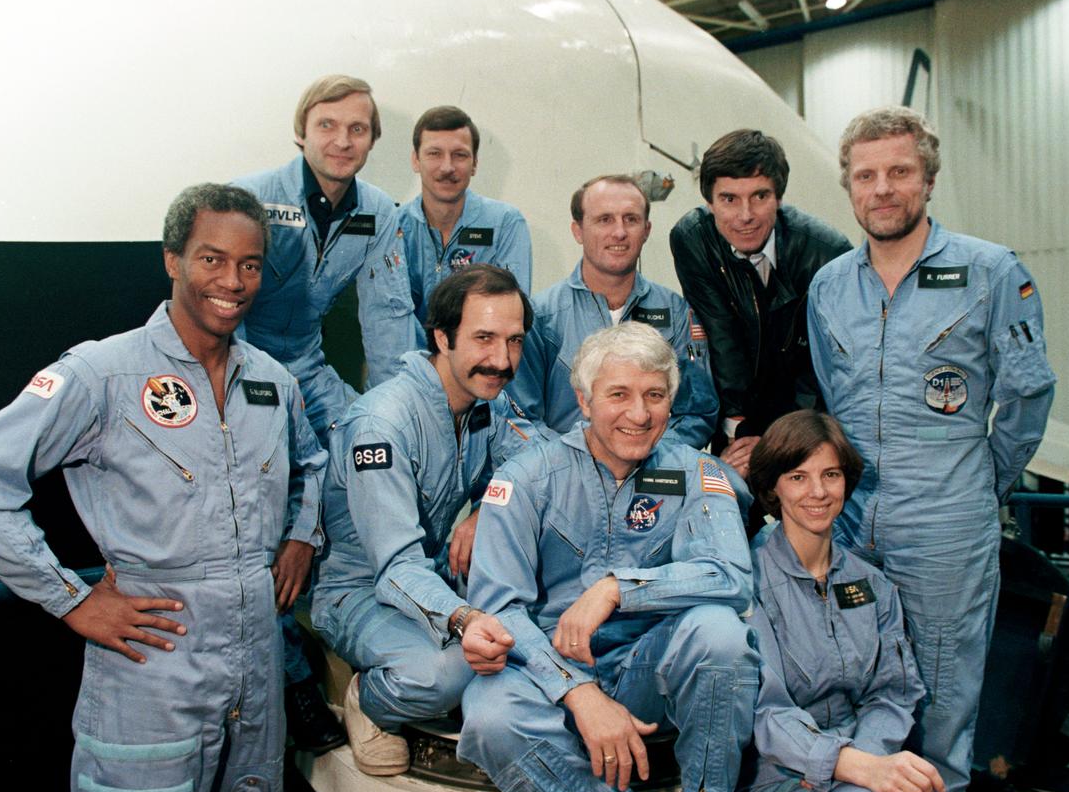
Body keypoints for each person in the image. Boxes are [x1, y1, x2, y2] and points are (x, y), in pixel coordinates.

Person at [0, 184, 327, 792]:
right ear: (172, 259)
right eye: (212, 259)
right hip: (154, 664)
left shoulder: (271, 381)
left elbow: (314, 462)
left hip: (257, 663)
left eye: (250, 264)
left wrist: (302, 536)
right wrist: (72, 597)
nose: (233, 280)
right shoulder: (101, 375)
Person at [808, 105, 1056, 792]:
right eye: (866, 175)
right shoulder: (830, 286)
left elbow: (1026, 396)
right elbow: (832, 398)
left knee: (944, 692)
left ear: (929, 178)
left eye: (899, 172)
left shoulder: (990, 271)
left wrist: (980, 484)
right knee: (851, 678)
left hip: (947, 523)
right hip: (850, 524)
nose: (882, 188)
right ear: (850, 187)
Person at [459, 322, 759, 792]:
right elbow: (500, 608)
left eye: (655, 396)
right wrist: (578, 692)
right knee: (490, 717)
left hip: (648, 666)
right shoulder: (524, 479)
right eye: (619, 394)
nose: (639, 415)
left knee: (721, 634)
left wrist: (619, 587)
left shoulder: (697, 473)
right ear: (584, 400)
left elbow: (730, 575)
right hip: (547, 669)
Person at [232, 74, 415, 753]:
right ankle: (293, 678)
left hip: (309, 368)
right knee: (256, 522)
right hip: (242, 369)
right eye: (329, 125)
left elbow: (391, 321)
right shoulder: (251, 196)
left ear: (371, 140)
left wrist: (392, 416)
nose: (343, 140)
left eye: (358, 128)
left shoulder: (379, 210)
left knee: (371, 470)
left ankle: (375, 649)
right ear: (302, 130)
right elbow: (223, 302)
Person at [312, 264, 546, 776]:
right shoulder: (383, 424)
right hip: (360, 589)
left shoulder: (487, 401)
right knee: (449, 674)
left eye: (514, 341)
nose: (502, 360)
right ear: (442, 337)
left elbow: (543, 459)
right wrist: (463, 620)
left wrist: (490, 504)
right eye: (483, 338)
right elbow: (395, 567)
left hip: (432, 573)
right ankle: (369, 699)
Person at [736, 410, 946, 792]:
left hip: (864, 770)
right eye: (798, 477)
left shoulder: (873, 585)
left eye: (830, 475)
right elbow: (766, 713)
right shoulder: (747, 584)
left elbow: (893, 693)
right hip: (778, 779)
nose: (817, 492)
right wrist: (847, 765)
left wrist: (867, 763)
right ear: (772, 487)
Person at [669, 129, 851, 479]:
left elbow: (822, 368)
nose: (745, 215)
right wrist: (740, 435)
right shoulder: (693, 239)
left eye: (760, 196)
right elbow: (721, 340)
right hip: (736, 419)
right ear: (709, 202)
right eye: (729, 199)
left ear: (779, 197)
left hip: (806, 417)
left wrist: (777, 440)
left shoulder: (826, 253)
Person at [509, 174, 718, 449]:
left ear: (646, 230)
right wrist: (574, 462)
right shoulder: (541, 316)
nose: (619, 232)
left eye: (630, 219)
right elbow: (518, 416)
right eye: (604, 219)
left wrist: (644, 454)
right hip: (566, 479)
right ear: (578, 231)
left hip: (651, 472)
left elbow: (697, 412)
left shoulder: (676, 313)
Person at [398, 105, 532, 329]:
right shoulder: (393, 226)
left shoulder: (505, 224)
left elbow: (508, 316)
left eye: (459, 155)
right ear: (415, 160)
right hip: (408, 360)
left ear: (475, 164)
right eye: (434, 154)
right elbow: (388, 318)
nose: (447, 167)